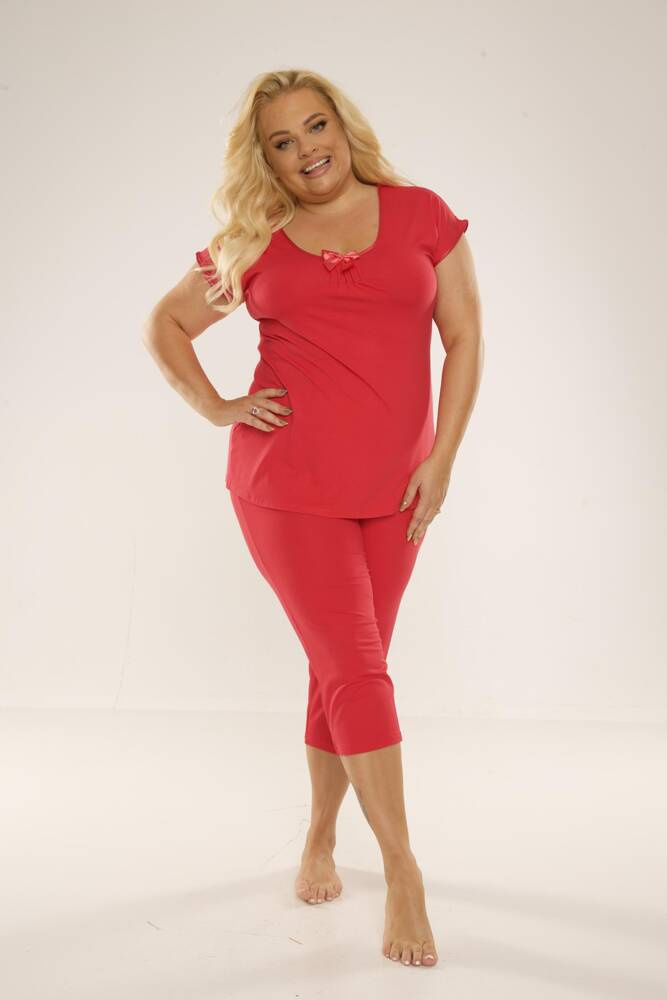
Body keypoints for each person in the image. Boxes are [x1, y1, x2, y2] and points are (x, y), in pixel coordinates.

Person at [142, 68, 483, 968]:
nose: (306, 151)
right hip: (287, 488)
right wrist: (218, 406)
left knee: (341, 671)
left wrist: (442, 461)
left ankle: (322, 836)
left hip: (397, 492)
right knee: (358, 670)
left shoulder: (420, 215)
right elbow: (167, 324)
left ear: (343, 125)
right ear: (265, 160)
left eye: (315, 127)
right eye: (282, 142)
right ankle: (403, 870)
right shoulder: (255, 240)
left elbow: (463, 337)